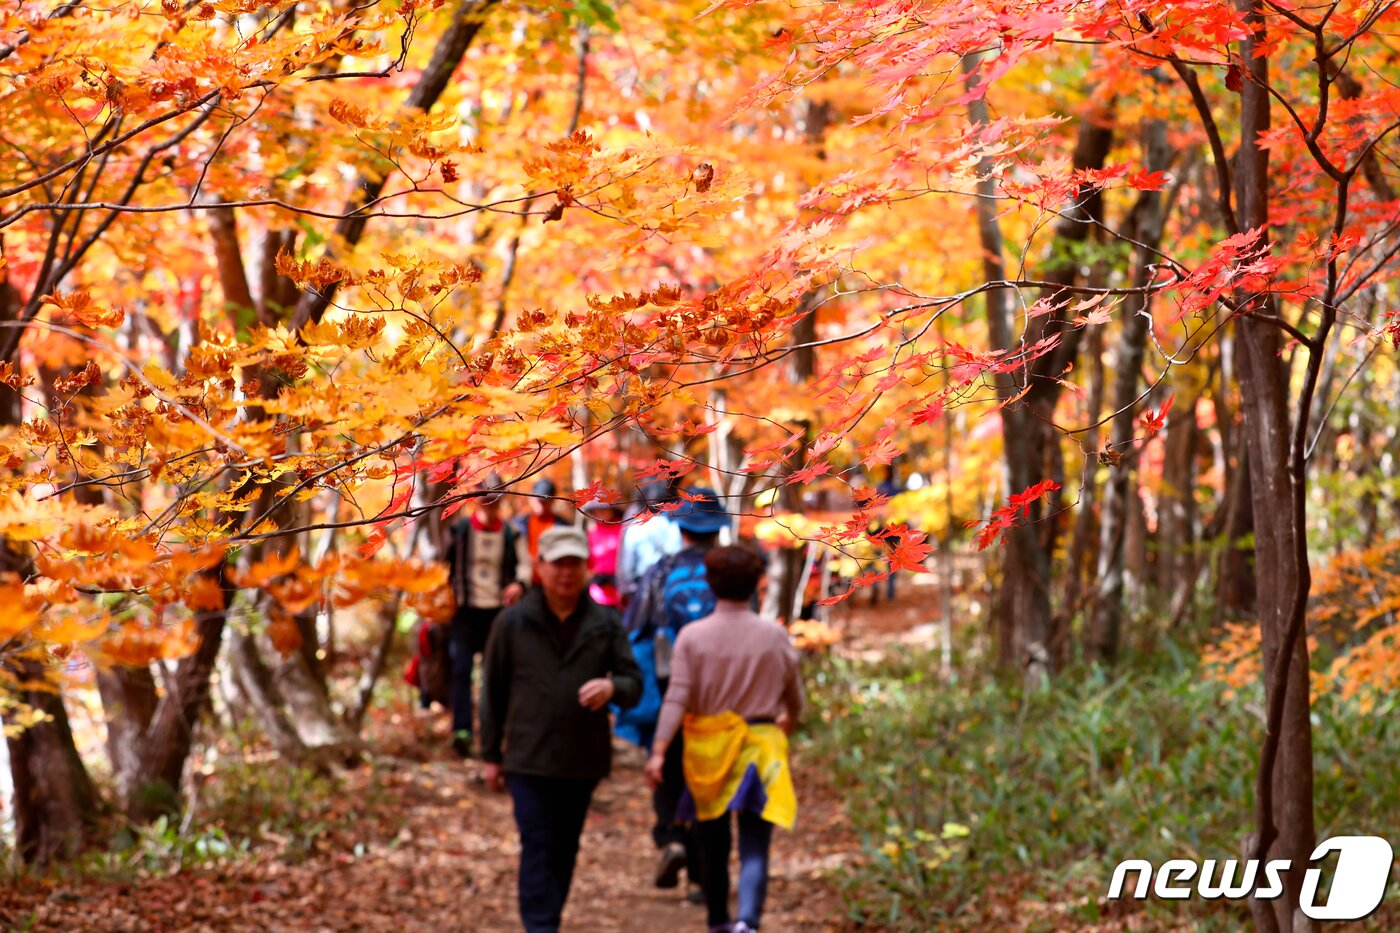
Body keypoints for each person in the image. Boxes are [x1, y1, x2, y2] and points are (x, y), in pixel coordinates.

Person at [479, 526, 644, 933]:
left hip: (581, 758)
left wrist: (611, 688)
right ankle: (541, 925)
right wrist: (490, 756)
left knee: (564, 846)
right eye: (558, 565)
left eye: (575, 564)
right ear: (540, 567)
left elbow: (634, 683)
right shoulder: (512, 622)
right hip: (527, 757)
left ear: (587, 568)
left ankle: (547, 919)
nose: (567, 573)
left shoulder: (605, 622)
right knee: (537, 843)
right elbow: (491, 691)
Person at [645, 546, 804, 933]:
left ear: (711, 584)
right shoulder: (774, 635)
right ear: (756, 584)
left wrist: (660, 750)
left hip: (709, 749)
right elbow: (794, 693)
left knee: (712, 843)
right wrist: (790, 720)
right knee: (755, 843)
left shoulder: (692, 637)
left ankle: (718, 921)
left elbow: (677, 697)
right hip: (761, 746)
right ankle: (747, 921)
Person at [621, 488, 728, 900]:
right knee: (707, 776)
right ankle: (703, 879)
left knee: (665, 762)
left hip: (669, 686)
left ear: (680, 527)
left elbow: (636, 627)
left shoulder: (661, 572)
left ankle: (671, 838)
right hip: (717, 694)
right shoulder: (730, 573)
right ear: (718, 531)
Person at [442, 478, 528, 757]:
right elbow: (441, 567)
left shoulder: (512, 533)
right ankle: (462, 731)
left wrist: (519, 585)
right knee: (460, 671)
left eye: (495, 497)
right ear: (475, 499)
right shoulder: (459, 530)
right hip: (464, 612)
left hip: (498, 614)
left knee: (495, 675)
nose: (490, 502)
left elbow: (526, 567)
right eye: (484, 497)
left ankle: (495, 731)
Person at [617, 479, 683, 605]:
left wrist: (627, 588)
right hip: (672, 587)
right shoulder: (676, 525)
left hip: (642, 588)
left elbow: (627, 566)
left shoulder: (636, 525)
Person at [514, 477, 569, 582]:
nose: (542, 505)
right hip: (525, 580)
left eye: (545, 501)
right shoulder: (519, 524)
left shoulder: (563, 526)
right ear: (531, 498)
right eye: (539, 500)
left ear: (553, 501)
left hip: (553, 581)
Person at [583, 496, 626, 608]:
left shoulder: (623, 529)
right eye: (597, 510)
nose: (600, 512)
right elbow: (588, 562)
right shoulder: (592, 533)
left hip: (619, 589)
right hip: (599, 591)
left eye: (603, 508)